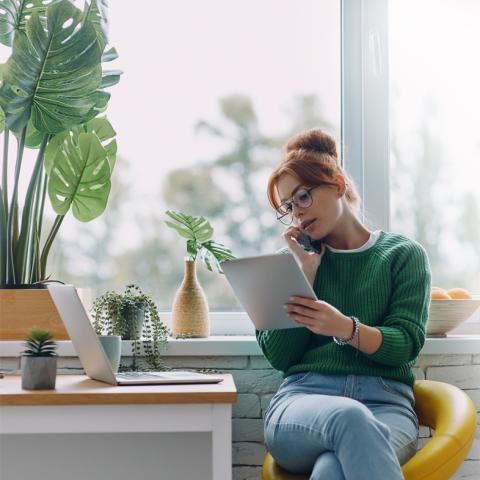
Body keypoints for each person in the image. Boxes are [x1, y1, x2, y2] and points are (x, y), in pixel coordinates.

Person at [257, 129, 432, 480]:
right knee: (349, 417)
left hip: (386, 404)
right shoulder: (286, 263)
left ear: (337, 185)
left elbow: (406, 346)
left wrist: (344, 328)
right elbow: (280, 357)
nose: (298, 215)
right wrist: (303, 278)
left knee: (330, 471)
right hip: (303, 403)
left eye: (302, 197)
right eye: (288, 208)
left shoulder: (402, 255)